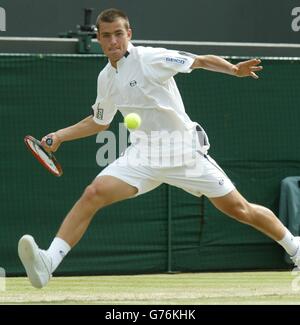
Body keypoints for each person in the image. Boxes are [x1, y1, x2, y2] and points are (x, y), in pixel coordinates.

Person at [18, 8, 300, 289]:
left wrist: (234, 69)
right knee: (93, 193)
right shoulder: (106, 78)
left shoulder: (150, 58)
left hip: (183, 154)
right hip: (142, 156)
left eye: (118, 34)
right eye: (106, 36)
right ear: (99, 40)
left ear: (129, 34)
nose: (113, 41)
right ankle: (48, 263)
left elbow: (199, 61)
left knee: (240, 209)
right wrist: (61, 136)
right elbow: (99, 121)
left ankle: (295, 248)